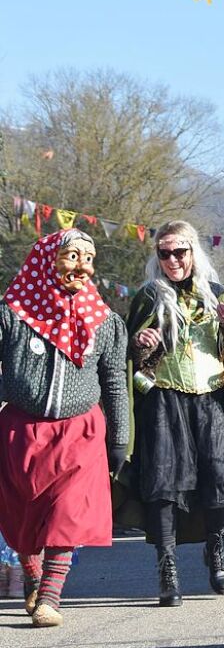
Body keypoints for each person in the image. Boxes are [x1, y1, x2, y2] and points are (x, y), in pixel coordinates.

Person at [0, 229, 129, 628]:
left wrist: (120, 437)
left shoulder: (105, 322)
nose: (82, 267)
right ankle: (33, 576)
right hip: (21, 429)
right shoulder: (12, 312)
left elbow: (114, 383)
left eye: (88, 259)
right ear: (46, 258)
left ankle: (51, 596)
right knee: (22, 515)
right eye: (72, 256)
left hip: (81, 431)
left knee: (69, 512)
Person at [127, 220, 224, 608]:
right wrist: (141, 344)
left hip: (210, 399)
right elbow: (130, 358)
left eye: (180, 252)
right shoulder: (148, 297)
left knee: (220, 484)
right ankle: (167, 571)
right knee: (163, 489)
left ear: (193, 252)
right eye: (165, 253)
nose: (173, 260)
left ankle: (215, 550)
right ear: (157, 257)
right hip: (164, 401)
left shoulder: (215, 294)